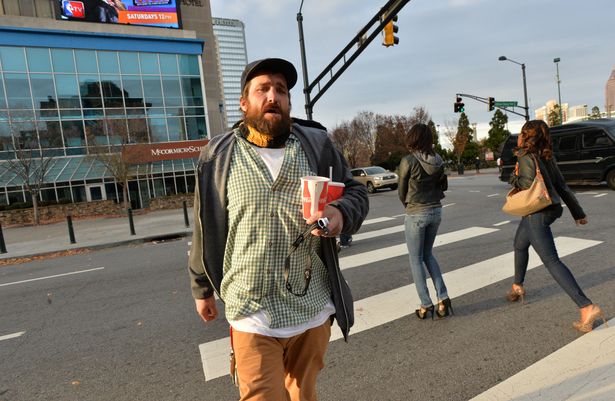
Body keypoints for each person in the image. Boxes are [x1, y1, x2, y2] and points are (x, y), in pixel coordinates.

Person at [187, 58, 368, 401]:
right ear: (244, 103)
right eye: (263, 89)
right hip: (249, 308)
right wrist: (201, 288)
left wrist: (340, 215)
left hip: (311, 308)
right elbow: (203, 226)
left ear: (288, 102)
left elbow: (356, 191)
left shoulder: (317, 146)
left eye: (281, 90)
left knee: (303, 395)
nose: (273, 96)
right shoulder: (218, 156)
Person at [507, 120, 607, 333]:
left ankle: (586, 306)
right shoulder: (546, 155)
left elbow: (525, 183)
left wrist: (512, 177)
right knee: (519, 244)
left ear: (525, 135)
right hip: (547, 209)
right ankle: (517, 285)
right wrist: (577, 213)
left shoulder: (525, 156)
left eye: (522, 133)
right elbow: (562, 186)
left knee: (552, 261)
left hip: (537, 212)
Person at [398, 123, 452, 320]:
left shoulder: (408, 161)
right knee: (428, 254)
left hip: (416, 213)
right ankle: (443, 299)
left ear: (413, 138)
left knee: (415, 259)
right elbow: (441, 185)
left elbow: (401, 190)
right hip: (436, 210)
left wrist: (408, 205)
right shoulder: (438, 160)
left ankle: (425, 304)